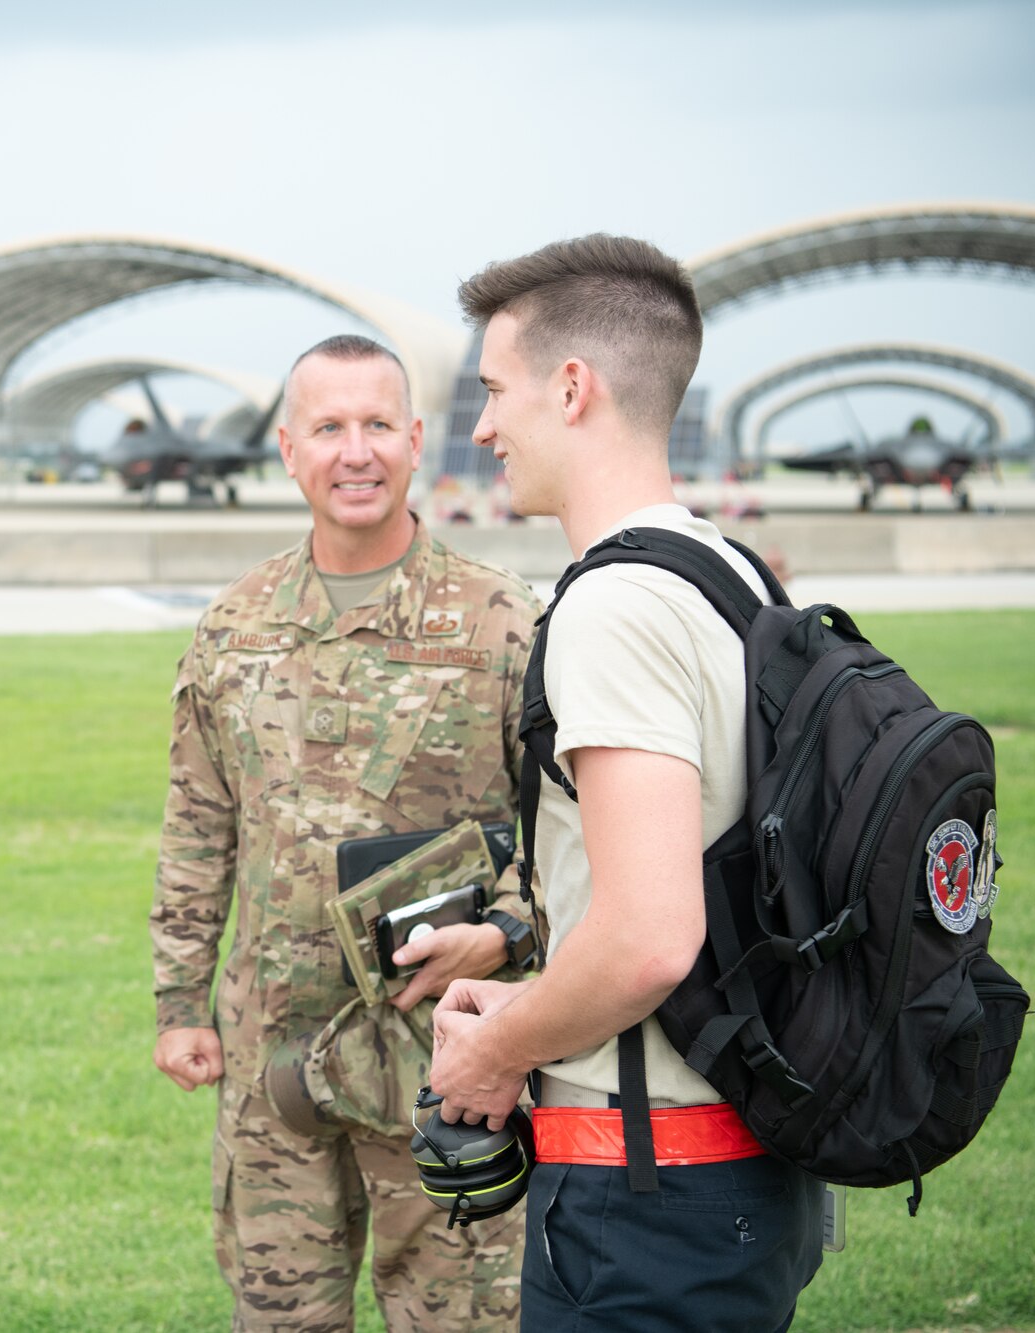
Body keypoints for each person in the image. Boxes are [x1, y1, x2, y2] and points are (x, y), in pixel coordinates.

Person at [428, 235, 823, 1330]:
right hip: (738, 1154)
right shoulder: (731, 573)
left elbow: (651, 933)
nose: (481, 428)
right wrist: (536, 995)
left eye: (494, 391)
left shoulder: (613, 607)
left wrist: (495, 1051)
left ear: (570, 387)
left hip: (644, 1188)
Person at [150, 334, 541, 1332]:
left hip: (445, 1061)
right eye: (328, 427)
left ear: (416, 442)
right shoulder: (234, 628)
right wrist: (179, 1002)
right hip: (271, 1061)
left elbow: (566, 840)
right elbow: (198, 828)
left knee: (458, 1320)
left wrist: (504, 933)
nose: (353, 451)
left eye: (376, 425)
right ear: (288, 448)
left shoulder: (500, 624)